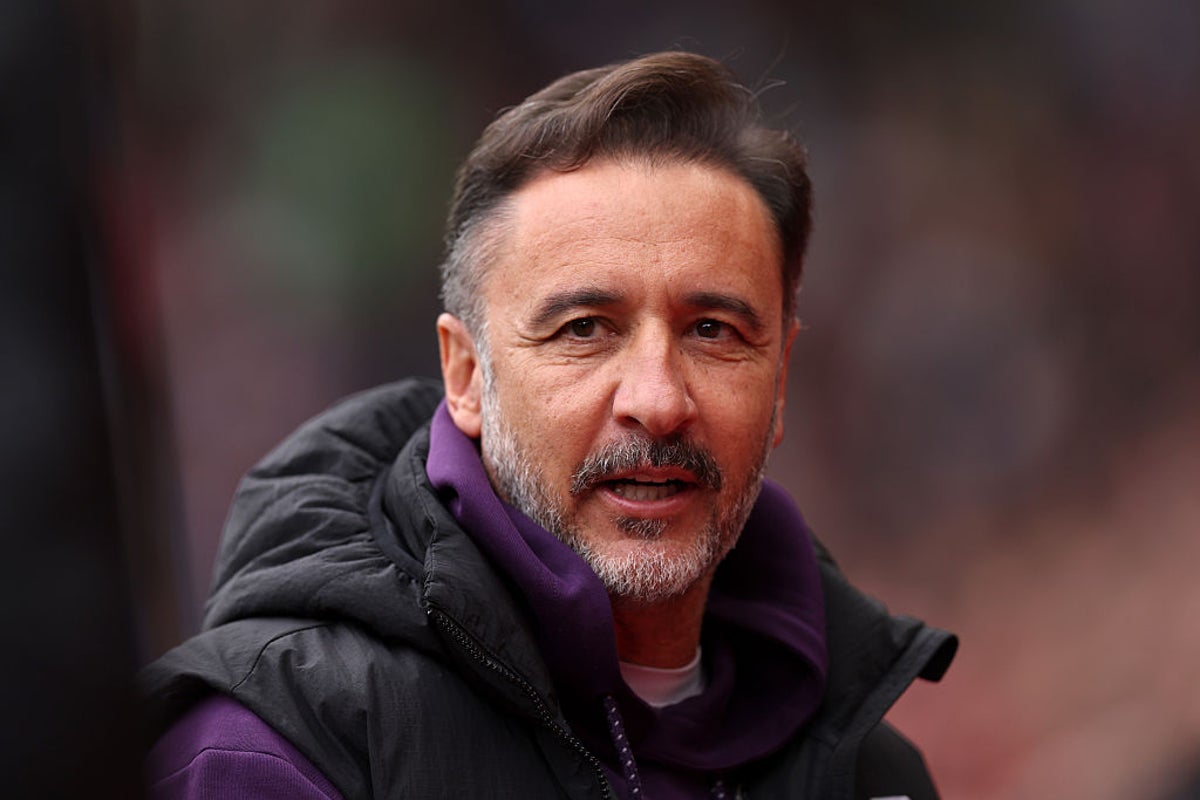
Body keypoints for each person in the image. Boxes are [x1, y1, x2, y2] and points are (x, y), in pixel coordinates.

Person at [142, 51, 957, 799]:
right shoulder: (275, 753)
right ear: (466, 376)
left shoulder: (874, 777)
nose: (658, 400)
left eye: (713, 330)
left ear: (779, 381)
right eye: (585, 329)